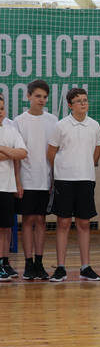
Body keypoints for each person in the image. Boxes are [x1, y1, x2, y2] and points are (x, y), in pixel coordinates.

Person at [47, 87, 100, 282]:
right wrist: (61, 171)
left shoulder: (94, 125)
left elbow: (96, 153)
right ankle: (61, 267)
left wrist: (85, 167)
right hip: (64, 180)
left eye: (85, 100)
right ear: (70, 105)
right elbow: (51, 153)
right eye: (78, 101)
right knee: (63, 223)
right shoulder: (61, 126)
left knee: (84, 223)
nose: (83, 103)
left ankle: (85, 266)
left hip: (86, 179)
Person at [12, 79, 58, 280]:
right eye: (38, 96)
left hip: (45, 179)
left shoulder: (53, 121)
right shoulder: (19, 121)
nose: (41, 100)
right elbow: (17, 154)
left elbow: (55, 152)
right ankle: (28, 264)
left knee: (41, 221)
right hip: (27, 179)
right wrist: (18, 181)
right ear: (28, 96)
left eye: (45, 97)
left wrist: (54, 179)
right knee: (28, 220)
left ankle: (39, 263)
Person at [0, 95, 27, 281]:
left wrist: (4, 150)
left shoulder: (10, 130)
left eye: (2, 108)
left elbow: (22, 153)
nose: (0, 112)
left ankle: (4, 262)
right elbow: (14, 154)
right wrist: (10, 153)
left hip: (6, 186)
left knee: (6, 227)